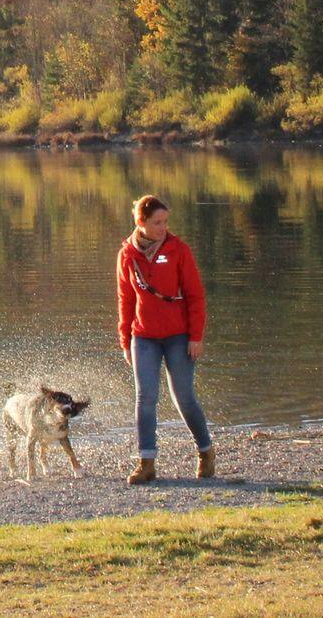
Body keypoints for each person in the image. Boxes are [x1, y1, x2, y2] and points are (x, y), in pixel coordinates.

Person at [116, 192, 214, 484]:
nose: (163, 228)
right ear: (141, 222)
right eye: (157, 222)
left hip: (179, 336)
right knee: (145, 397)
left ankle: (205, 451)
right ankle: (146, 462)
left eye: (165, 222)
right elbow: (125, 300)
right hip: (143, 337)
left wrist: (195, 336)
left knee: (184, 397)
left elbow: (196, 296)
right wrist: (125, 341)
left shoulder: (178, 250)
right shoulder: (127, 255)